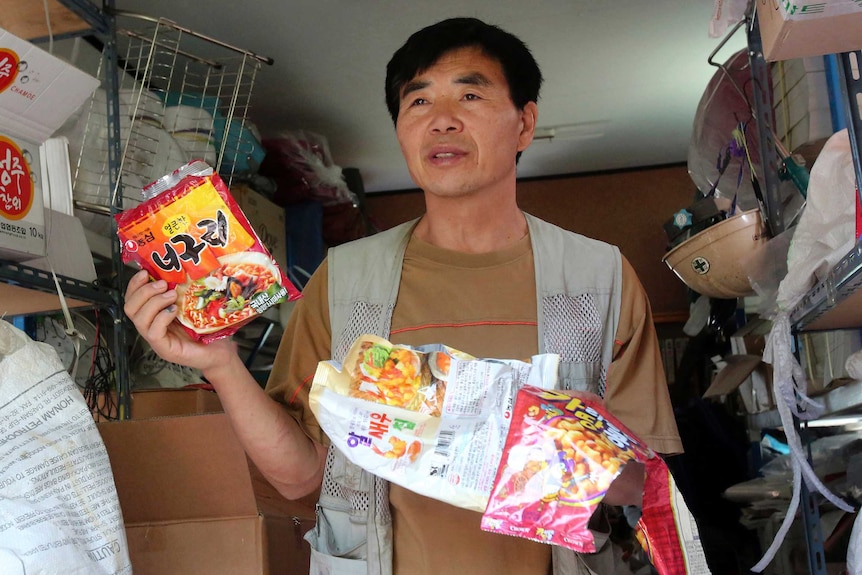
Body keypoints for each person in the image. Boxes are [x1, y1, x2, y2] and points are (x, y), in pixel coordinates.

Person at [124, 17, 682, 575]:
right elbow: (300, 476)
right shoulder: (344, 282)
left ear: (524, 122)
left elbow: (647, 485)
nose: (442, 120)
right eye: (418, 103)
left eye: (470, 94)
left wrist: (528, 438)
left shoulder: (598, 278)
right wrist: (220, 364)